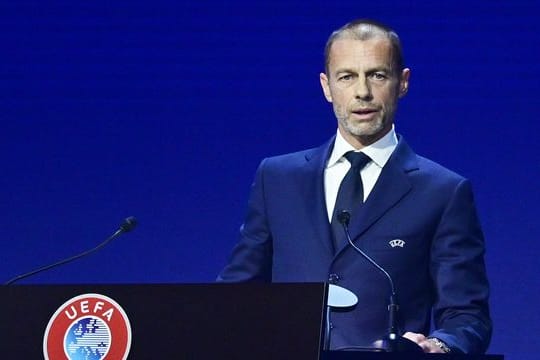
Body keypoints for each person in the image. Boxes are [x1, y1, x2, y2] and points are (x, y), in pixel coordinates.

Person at [217, 19, 491, 354]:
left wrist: (435, 346)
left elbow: (467, 317)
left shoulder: (443, 191)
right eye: (347, 77)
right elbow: (235, 294)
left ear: (402, 83)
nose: (363, 92)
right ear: (326, 86)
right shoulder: (277, 178)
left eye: (377, 75)